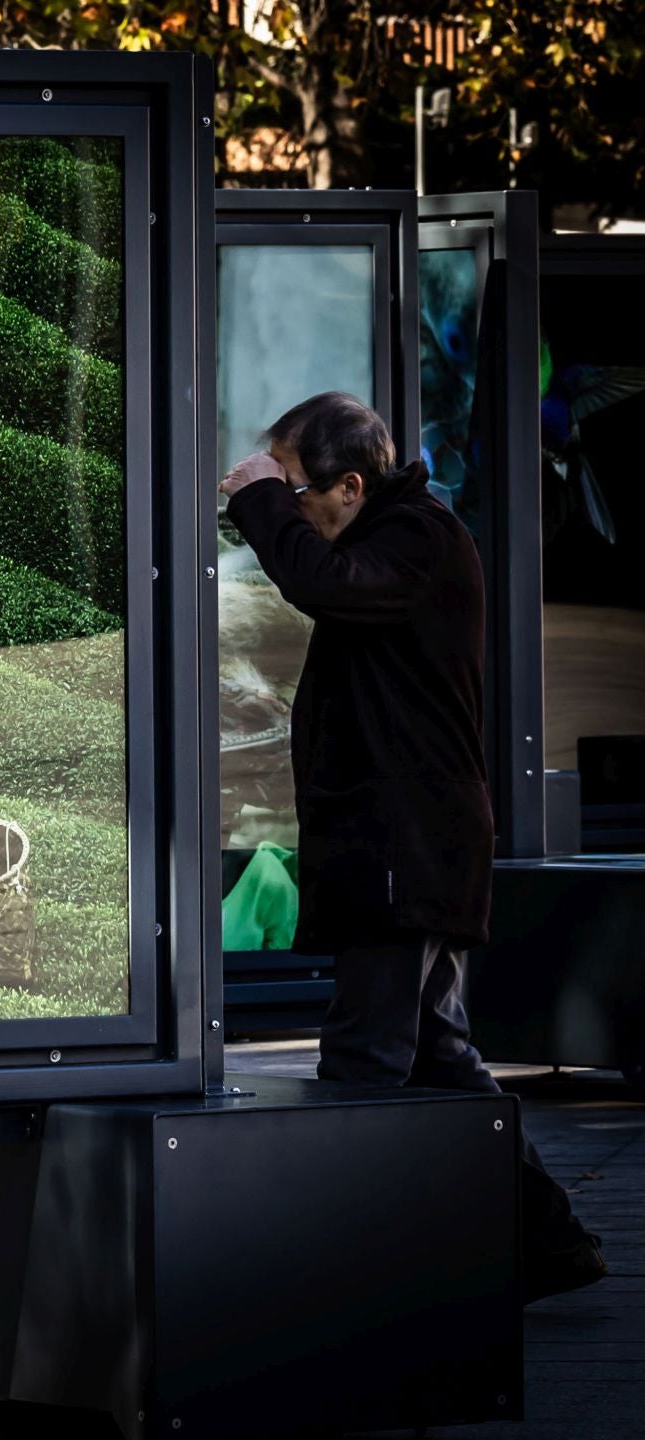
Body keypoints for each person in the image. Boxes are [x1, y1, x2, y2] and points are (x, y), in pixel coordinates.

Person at [221, 391, 605, 1303]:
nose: (295, 510)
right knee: (440, 1059)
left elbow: (321, 583)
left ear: (350, 487)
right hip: (410, 847)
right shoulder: (398, 536)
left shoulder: (418, 540)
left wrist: (256, 502)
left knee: (364, 1061)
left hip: (408, 851)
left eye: (300, 492)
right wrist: (275, 504)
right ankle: (550, 1242)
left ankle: (350, 1282)